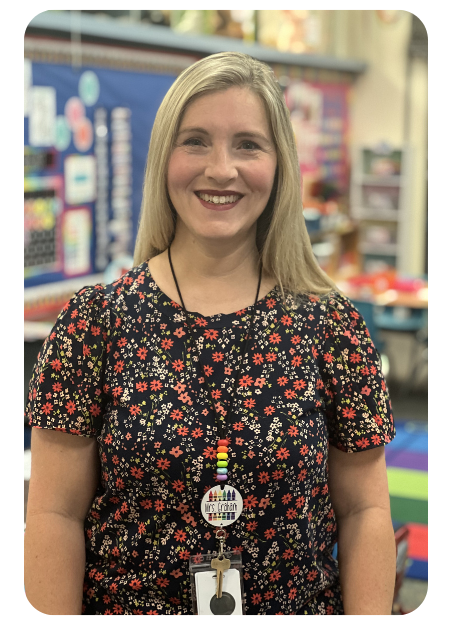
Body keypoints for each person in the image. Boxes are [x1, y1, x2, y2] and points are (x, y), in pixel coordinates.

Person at [24, 51, 396, 615]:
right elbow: (55, 515)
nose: (221, 169)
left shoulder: (332, 327)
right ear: (163, 159)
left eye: (248, 144)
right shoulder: (94, 323)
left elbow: (365, 512)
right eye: (195, 141)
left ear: (279, 165)